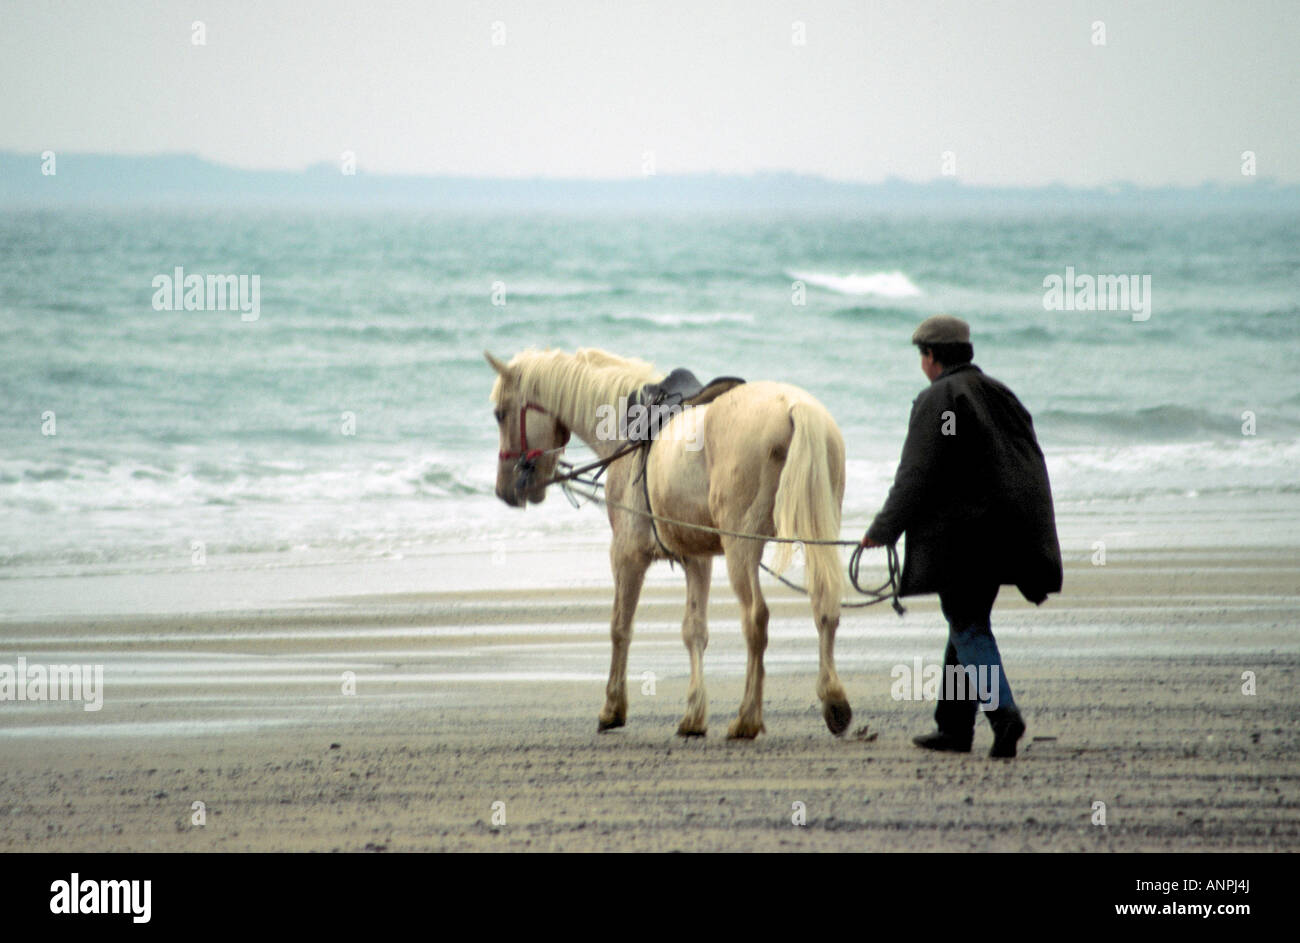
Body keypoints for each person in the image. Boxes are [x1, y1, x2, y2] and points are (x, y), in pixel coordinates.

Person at [861, 315, 1062, 758]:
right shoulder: (998, 393)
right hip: (1003, 533)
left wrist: (882, 529)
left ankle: (1004, 715)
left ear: (931, 356)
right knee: (965, 624)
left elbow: (918, 472)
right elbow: (1025, 460)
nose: (921, 364)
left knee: (968, 625)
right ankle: (953, 728)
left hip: (963, 540)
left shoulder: (941, 399)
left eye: (922, 355)